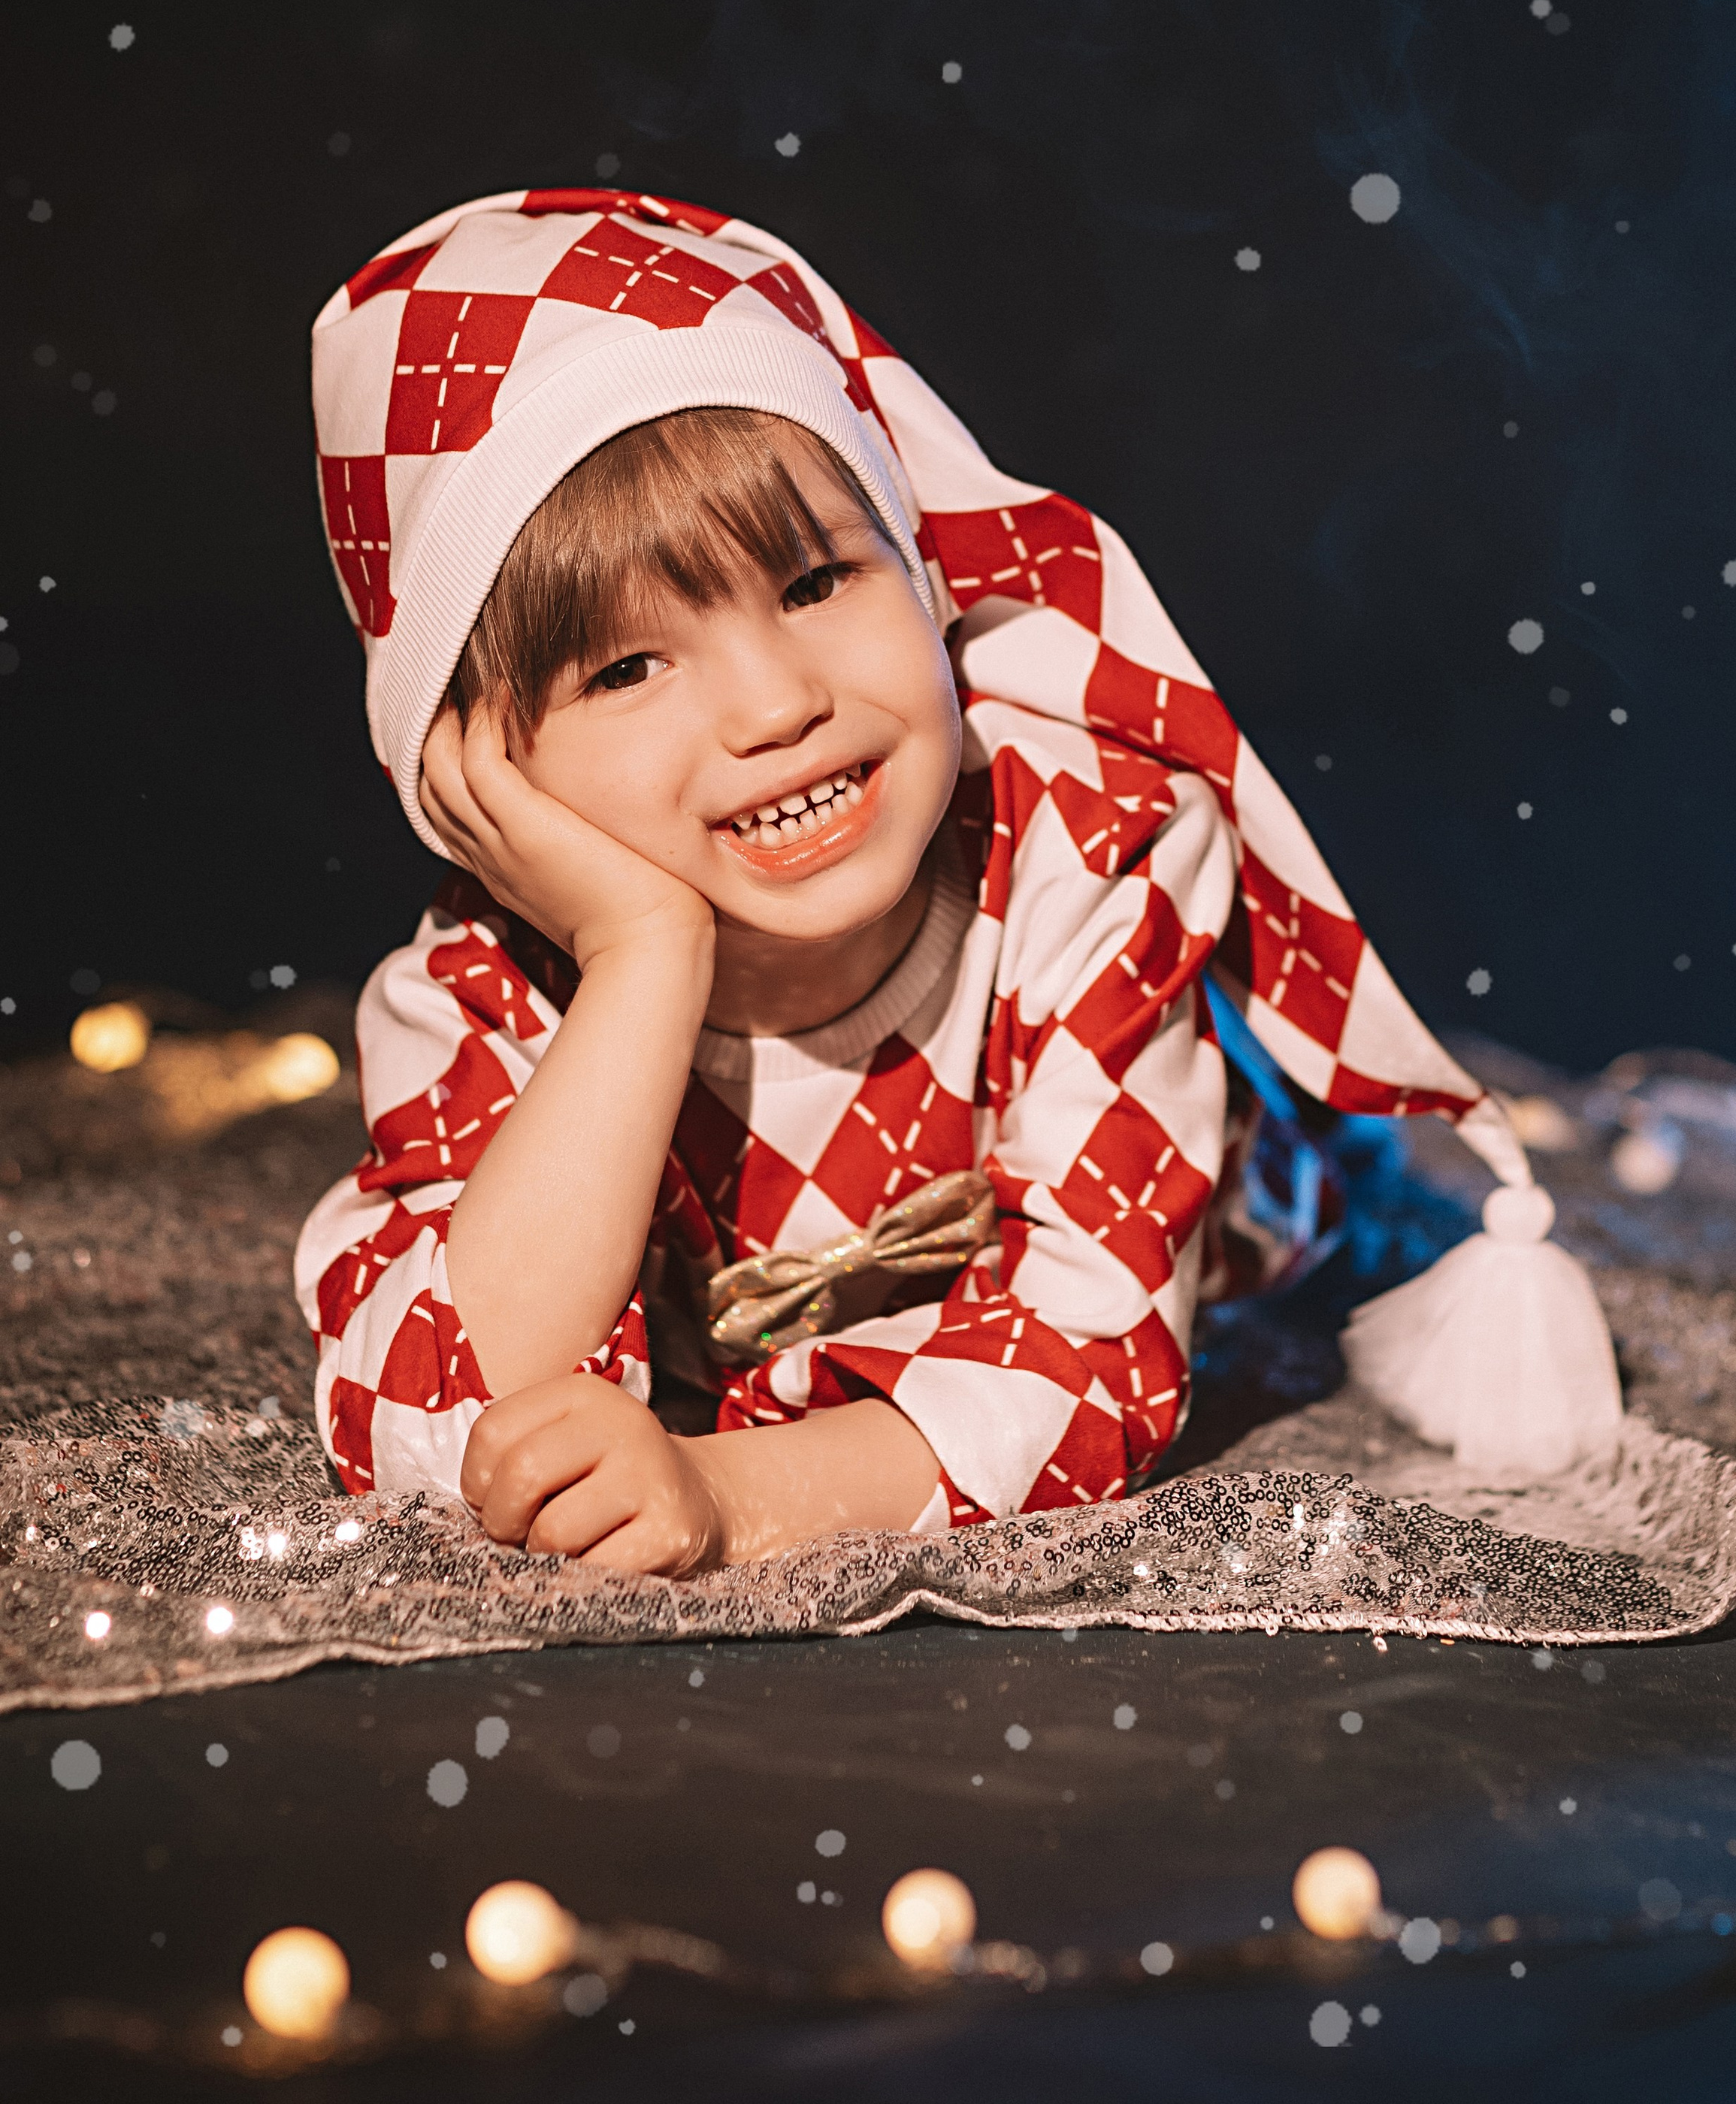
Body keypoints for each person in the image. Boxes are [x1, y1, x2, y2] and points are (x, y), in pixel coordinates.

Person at [295, 188, 1511, 1576]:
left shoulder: (1086, 853)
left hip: (1236, 1218)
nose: (774, 705)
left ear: (928, 573)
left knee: (1332, 1192)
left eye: (816, 583)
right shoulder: (485, 993)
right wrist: (640, 955)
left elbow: (1093, 1360)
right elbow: (427, 1416)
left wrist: (727, 1493)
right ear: (471, 773)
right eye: (627, 667)